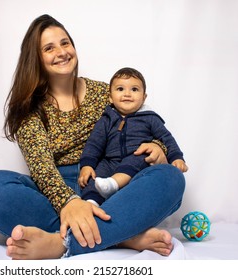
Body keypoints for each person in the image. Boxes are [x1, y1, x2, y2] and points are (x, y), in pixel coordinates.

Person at [0, 14, 186, 260]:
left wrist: (157, 146)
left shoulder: (104, 92)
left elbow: (140, 122)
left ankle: (62, 243)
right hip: (53, 188)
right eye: (49, 48)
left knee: (170, 177)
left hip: (107, 184)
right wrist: (69, 203)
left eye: (65, 43)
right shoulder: (30, 108)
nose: (61, 52)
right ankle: (123, 235)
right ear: (37, 59)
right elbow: (42, 169)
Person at [79, 67, 188, 206]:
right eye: (120, 89)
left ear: (144, 97)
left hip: (136, 159)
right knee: (93, 176)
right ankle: (91, 202)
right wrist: (87, 165)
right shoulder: (106, 119)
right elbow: (94, 143)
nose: (127, 94)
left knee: (141, 156)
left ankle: (113, 183)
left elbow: (166, 138)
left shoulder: (150, 118)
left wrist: (177, 157)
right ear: (110, 97)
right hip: (110, 161)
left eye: (134, 89)